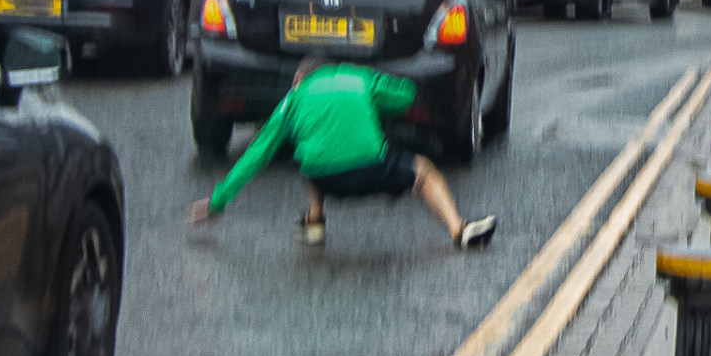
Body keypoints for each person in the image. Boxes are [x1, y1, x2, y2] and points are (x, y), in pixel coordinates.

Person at [187, 52, 497, 248]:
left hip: (326, 179)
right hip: (373, 168)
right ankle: (458, 229)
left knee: (306, 151)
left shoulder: (294, 98)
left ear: (298, 79)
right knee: (425, 171)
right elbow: (405, 96)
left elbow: (258, 153)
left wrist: (219, 200)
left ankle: (315, 221)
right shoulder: (357, 77)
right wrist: (372, 97)